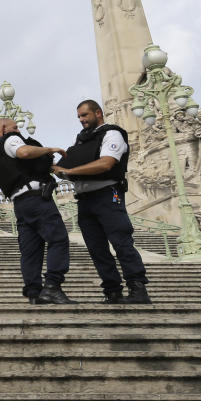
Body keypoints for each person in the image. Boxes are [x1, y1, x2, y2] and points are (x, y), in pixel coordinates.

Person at [54, 99, 150, 304]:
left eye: (85, 115)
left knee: (121, 242)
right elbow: (66, 171)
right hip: (84, 200)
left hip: (108, 195)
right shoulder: (80, 142)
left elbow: (106, 164)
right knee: (96, 248)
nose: (81, 120)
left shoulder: (112, 134)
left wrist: (69, 170)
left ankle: (137, 288)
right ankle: (112, 290)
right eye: (79, 116)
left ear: (98, 113)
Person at [0, 118, 74, 304]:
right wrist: (50, 149)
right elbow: (23, 152)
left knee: (31, 250)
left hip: (20, 203)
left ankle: (34, 292)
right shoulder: (10, 140)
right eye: (15, 127)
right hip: (36, 199)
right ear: (3, 129)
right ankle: (52, 286)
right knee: (58, 239)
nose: (19, 131)